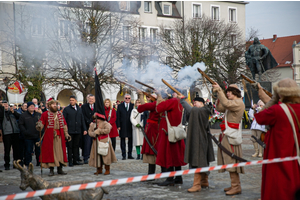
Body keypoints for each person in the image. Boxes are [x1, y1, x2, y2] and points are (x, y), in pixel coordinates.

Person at [255, 78, 300, 200]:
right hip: (295, 154)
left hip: (278, 154)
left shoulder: (276, 110)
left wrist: (273, 101)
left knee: (277, 188)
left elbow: (259, 118)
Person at [212, 83, 245, 195]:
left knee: (231, 160)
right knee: (228, 159)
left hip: (231, 135)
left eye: (229, 91)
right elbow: (220, 107)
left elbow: (225, 103)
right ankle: (234, 185)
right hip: (228, 133)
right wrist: (218, 95)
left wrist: (220, 91)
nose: (227, 93)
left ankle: (236, 187)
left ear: (235, 92)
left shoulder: (238, 102)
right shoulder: (232, 103)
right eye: (227, 91)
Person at [178, 96, 215, 193]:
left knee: (198, 160)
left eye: (196, 102)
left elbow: (191, 110)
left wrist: (182, 100)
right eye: (194, 102)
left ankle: (197, 184)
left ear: (202, 103)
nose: (194, 104)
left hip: (200, 139)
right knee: (202, 160)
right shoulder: (201, 110)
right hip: (199, 138)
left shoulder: (203, 110)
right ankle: (204, 181)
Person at [155, 90, 186, 186]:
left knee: (168, 156)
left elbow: (158, 108)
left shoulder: (173, 101)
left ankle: (170, 178)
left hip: (169, 132)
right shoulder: (181, 102)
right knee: (176, 156)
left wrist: (159, 96)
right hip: (176, 131)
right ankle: (178, 177)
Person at [36, 99, 71, 176]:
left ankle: (60, 169)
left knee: (60, 153)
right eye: (53, 104)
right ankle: (51, 170)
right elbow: (41, 124)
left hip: (60, 137)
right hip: (50, 138)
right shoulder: (45, 114)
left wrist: (66, 134)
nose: (55, 105)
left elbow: (64, 125)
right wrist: (39, 125)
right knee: (50, 153)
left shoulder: (60, 114)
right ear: (49, 106)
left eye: (56, 104)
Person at [137, 92, 160, 175]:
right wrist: (140, 95)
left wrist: (140, 96)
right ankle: (151, 173)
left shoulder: (156, 104)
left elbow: (141, 108)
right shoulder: (156, 104)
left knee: (153, 150)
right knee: (152, 151)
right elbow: (145, 107)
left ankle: (154, 173)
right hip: (152, 129)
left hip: (154, 130)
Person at [63, 95, 87, 166]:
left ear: (76, 101)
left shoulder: (79, 109)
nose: (71, 101)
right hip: (70, 131)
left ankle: (75, 160)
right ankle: (70, 161)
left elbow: (82, 119)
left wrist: (84, 129)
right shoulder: (66, 109)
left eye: (73, 100)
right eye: (70, 100)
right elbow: (64, 120)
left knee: (76, 146)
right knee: (70, 146)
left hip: (78, 130)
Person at [18, 102, 41, 167]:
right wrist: (25, 132)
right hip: (28, 136)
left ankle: (39, 162)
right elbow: (21, 125)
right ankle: (28, 162)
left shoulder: (38, 115)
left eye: (33, 106)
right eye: (30, 106)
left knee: (38, 150)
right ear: (27, 107)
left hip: (37, 135)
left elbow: (42, 123)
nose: (32, 107)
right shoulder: (23, 115)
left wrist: (41, 130)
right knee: (28, 151)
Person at [0, 100, 20, 170]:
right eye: (4, 105)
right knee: (7, 150)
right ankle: (7, 164)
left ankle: (16, 163)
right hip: (6, 133)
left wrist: (13, 112)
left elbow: (19, 117)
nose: (6, 106)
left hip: (15, 132)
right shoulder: (2, 113)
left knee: (16, 149)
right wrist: (2, 109)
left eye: (7, 105)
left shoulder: (12, 112)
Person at [116, 94, 134, 160]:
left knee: (130, 141)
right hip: (122, 125)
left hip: (130, 125)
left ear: (130, 99)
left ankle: (130, 154)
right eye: (126, 98)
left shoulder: (132, 106)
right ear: (124, 98)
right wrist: (118, 125)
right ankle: (123, 155)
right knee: (122, 140)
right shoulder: (120, 106)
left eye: (128, 98)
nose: (127, 99)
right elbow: (118, 116)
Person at [81, 94, 95, 164]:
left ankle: (94, 156)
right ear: (87, 99)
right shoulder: (84, 106)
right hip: (87, 127)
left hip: (95, 127)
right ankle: (86, 157)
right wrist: (89, 122)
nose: (91, 100)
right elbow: (83, 116)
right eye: (90, 99)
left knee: (94, 142)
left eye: (92, 99)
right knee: (87, 143)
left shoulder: (97, 106)